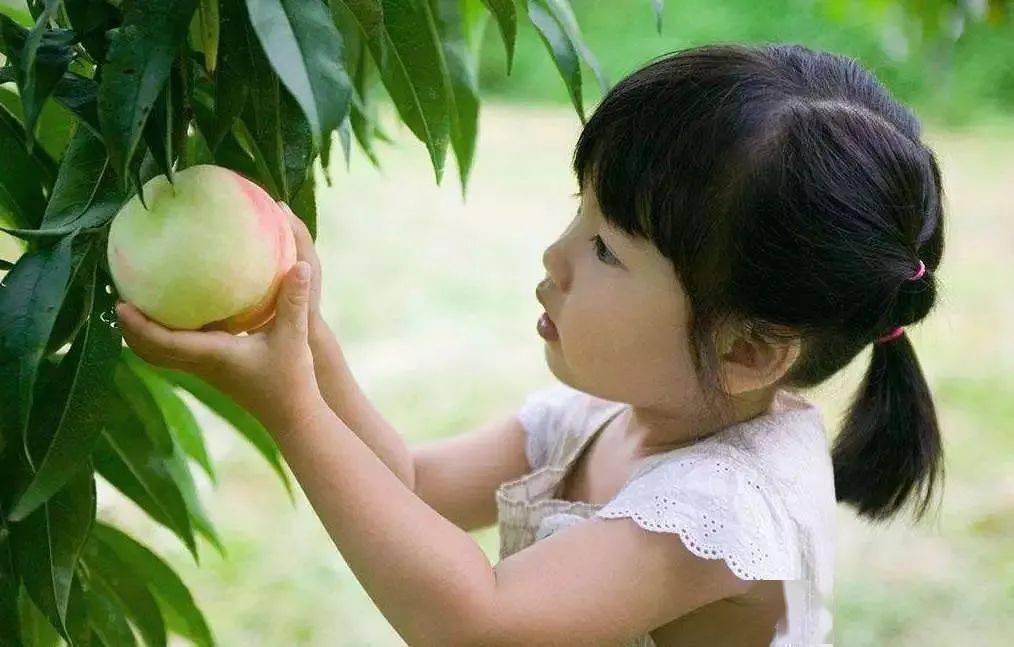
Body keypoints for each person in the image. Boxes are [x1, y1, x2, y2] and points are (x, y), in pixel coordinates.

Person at [116, 42, 946, 646]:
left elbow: (477, 621)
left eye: (607, 248)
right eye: (577, 212)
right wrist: (308, 337)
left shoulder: (721, 508)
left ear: (748, 351)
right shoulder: (602, 417)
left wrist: (292, 409)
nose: (555, 254)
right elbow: (411, 484)